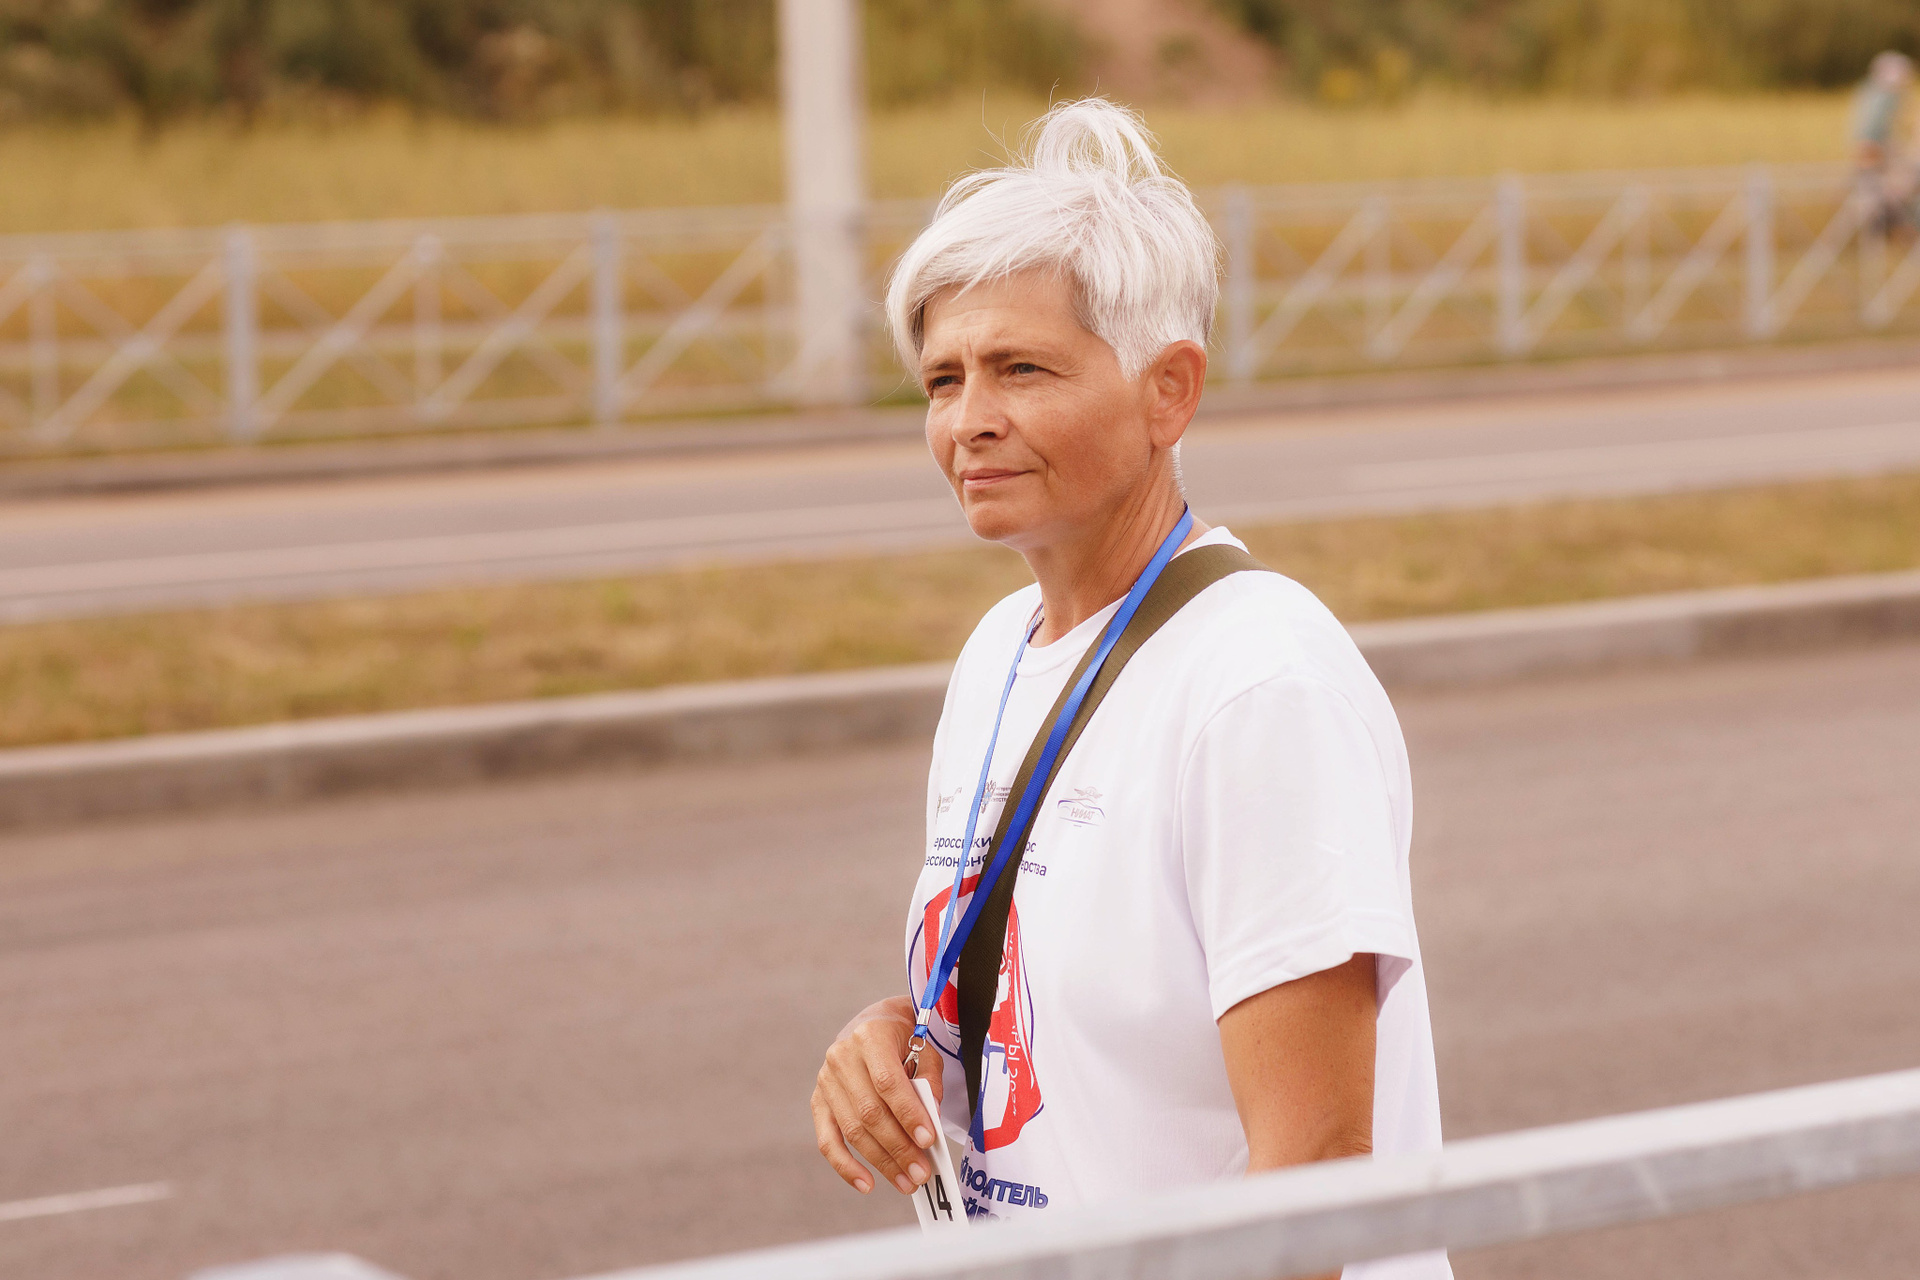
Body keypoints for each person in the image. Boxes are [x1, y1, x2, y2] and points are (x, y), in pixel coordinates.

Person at [808, 98, 1449, 1280]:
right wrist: (901, 1038)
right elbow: (1052, 1006)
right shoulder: (999, 654)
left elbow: (1312, 1171)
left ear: (1170, 391)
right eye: (942, 378)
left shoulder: (1258, 683)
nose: (970, 421)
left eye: (1021, 368)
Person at [1854, 51, 1915, 235]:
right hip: (1875, 160)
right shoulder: (1883, 98)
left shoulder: (1871, 93)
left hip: (1875, 159)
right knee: (1887, 200)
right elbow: (1870, 137)